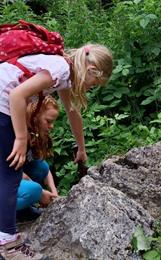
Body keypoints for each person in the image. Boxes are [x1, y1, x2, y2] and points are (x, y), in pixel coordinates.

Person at [0, 44, 113, 259]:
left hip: (4, 104)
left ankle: (13, 224)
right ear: (90, 70)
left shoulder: (64, 71)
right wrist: (22, 139)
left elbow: (72, 111)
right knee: (11, 172)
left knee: (12, 171)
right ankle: (7, 242)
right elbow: (16, 95)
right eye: (94, 83)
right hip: (3, 105)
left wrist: (81, 148)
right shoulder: (60, 68)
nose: (91, 88)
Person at [16, 96, 60, 222]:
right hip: (6, 178)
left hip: (13, 178)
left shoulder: (33, 134)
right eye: (48, 121)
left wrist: (53, 192)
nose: (51, 126)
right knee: (34, 190)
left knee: (41, 166)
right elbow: (12, 171)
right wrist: (41, 194)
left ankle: (22, 212)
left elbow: (44, 167)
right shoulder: (18, 134)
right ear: (35, 116)